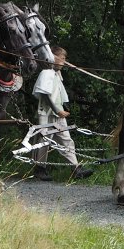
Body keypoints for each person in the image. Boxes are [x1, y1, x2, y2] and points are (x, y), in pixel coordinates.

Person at [31, 45, 93, 181]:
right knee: (44, 141)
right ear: (53, 57)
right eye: (62, 58)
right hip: (47, 114)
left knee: (66, 140)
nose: (64, 61)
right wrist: (57, 110)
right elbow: (44, 93)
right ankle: (39, 170)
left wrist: (59, 110)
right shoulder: (46, 72)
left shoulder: (56, 74)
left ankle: (76, 169)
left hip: (57, 115)